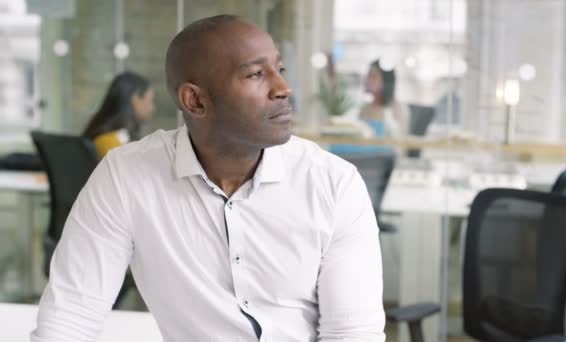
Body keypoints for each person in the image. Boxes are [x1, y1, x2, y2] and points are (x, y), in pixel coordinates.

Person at [32, 15, 385, 342]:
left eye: (279, 68)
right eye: (256, 75)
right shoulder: (127, 176)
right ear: (195, 101)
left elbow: (352, 334)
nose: (282, 88)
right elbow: (70, 318)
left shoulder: (333, 183)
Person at [82, 71, 156, 158]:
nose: (152, 108)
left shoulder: (103, 137)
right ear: (135, 99)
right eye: (151, 100)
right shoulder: (111, 143)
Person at [359, 59, 409, 138]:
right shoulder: (365, 108)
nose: (368, 80)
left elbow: (399, 144)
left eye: (373, 76)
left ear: (386, 81)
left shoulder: (397, 109)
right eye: (368, 75)